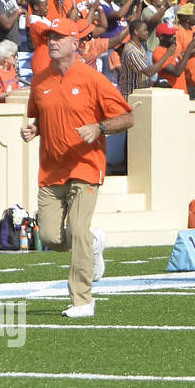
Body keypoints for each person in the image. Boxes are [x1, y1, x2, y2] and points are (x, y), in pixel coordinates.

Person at [19, 18, 134, 318]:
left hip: (86, 164)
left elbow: (127, 117)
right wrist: (36, 130)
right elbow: (44, 117)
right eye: (49, 37)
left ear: (76, 44)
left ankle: (83, 301)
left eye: (59, 36)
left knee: (78, 229)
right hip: (51, 169)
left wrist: (99, 127)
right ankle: (93, 243)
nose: (52, 41)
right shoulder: (39, 80)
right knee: (51, 238)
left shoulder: (92, 78)